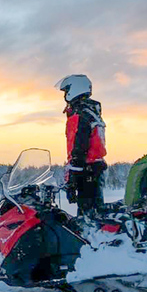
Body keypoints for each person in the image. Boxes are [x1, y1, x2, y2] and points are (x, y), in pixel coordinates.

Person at [55, 74, 107, 216]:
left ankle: (91, 238)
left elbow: (78, 147)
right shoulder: (92, 112)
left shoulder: (79, 115)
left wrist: (73, 178)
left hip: (86, 171)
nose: (65, 95)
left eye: (66, 91)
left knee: (87, 217)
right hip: (95, 169)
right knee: (96, 212)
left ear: (74, 90)